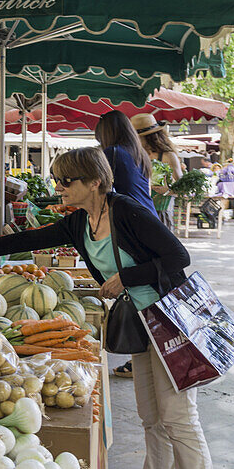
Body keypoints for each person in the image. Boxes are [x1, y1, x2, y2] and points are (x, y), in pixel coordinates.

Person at [0, 146, 220, 469]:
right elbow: (34, 238)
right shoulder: (81, 221)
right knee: (153, 420)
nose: (60, 187)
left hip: (171, 326)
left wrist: (124, 277)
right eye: (58, 180)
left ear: (94, 181)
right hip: (141, 326)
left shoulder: (126, 211)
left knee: (180, 421)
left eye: (66, 181)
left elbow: (177, 256)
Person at [95, 110, 155, 378]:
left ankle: (144, 352)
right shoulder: (136, 153)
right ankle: (144, 353)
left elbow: (97, 185)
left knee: (138, 293)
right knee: (146, 295)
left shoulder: (113, 153)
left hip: (136, 229)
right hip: (149, 222)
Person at [131, 114, 182, 231]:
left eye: (136, 137)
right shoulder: (134, 155)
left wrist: (168, 191)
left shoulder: (168, 156)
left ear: (149, 137)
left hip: (159, 214)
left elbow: (183, 189)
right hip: (136, 214)